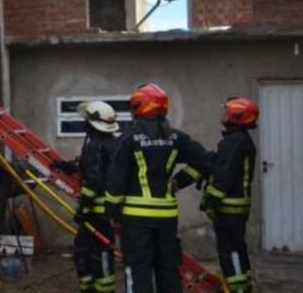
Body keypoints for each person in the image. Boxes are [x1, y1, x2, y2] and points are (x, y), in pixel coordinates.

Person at [105, 84, 210, 293]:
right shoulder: (176, 137)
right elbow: (205, 161)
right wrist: (178, 182)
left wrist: (112, 213)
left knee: (138, 270)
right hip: (167, 218)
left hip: (135, 220)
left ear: (138, 107)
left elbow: (116, 181)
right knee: (168, 270)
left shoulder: (128, 139)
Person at [52, 101, 119, 293]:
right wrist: (66, 166)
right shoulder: (114, 144)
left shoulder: (94, 147)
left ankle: (96, 289)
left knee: (90, 255)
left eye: (86, 121)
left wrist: (82, 210)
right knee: (96, 254)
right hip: (108, 214)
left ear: (92, 124)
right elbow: (90, 167)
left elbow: (93, 183)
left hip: (95, 216)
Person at [200, 97, 260, 293]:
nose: (223, 116)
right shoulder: (241, 140)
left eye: (227, 113)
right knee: (238, 248)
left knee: (230, 251)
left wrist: (209, 202)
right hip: (237, 206)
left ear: (237, 117)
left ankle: (237, 289)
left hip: (229, 208)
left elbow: (223, 177)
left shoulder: (232, 142)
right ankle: (244, 286)